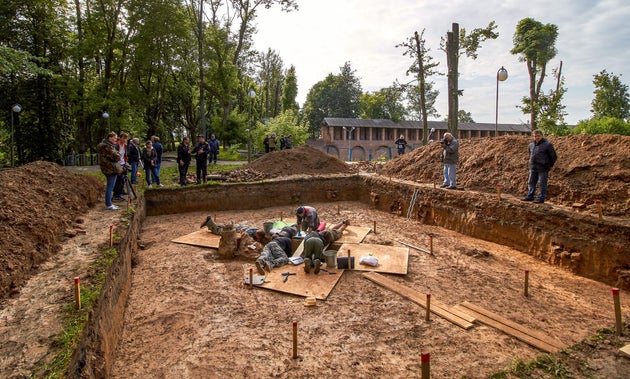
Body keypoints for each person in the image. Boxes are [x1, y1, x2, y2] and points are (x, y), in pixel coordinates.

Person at [522, 130, 557, 204]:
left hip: (543, 168)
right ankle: (530, 196)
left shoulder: (548, 145)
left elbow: (553, 156)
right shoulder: (531, 145)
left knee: (542, 183)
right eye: (535, 136)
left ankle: (541, 198)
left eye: (538, 136)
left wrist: (549, 165)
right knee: (531, 182)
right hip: (533, 167)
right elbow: (530, 154)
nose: (536, 137)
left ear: (542, 136)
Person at [97, 131, 122, 210]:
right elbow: (116, 157)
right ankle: (109, 204)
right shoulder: (107, 146)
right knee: (110, 187)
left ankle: (110, 203)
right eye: (114, 138)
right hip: (110, 168)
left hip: (110, 168)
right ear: (110, 138)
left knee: (110, 186)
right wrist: (118, 154)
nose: (116, 140)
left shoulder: (108, 145)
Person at [113, 132, 128, 201]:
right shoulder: (116, 145)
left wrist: (125, 162)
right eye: (124, 138)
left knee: (123, 179)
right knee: (119, 180)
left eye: (126, 138)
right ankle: (117, 195)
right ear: (120, 138)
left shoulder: (125, 145)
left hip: (123, 163)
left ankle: (121, 191)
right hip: (117, 164)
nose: (125, 140)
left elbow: (124, 155)